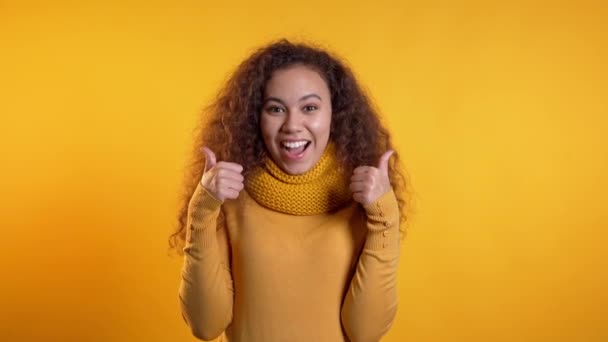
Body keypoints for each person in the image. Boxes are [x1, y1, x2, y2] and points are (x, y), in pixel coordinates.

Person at [168, 39, 410, 342]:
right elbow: (206, 325)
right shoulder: (227, 198)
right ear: (256, 116)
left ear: (335, 114)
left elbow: (366, 332)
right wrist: (201, 211)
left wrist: (385, 215)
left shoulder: (365, 200)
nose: (292, 125)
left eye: (309, 107)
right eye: (276, 109)